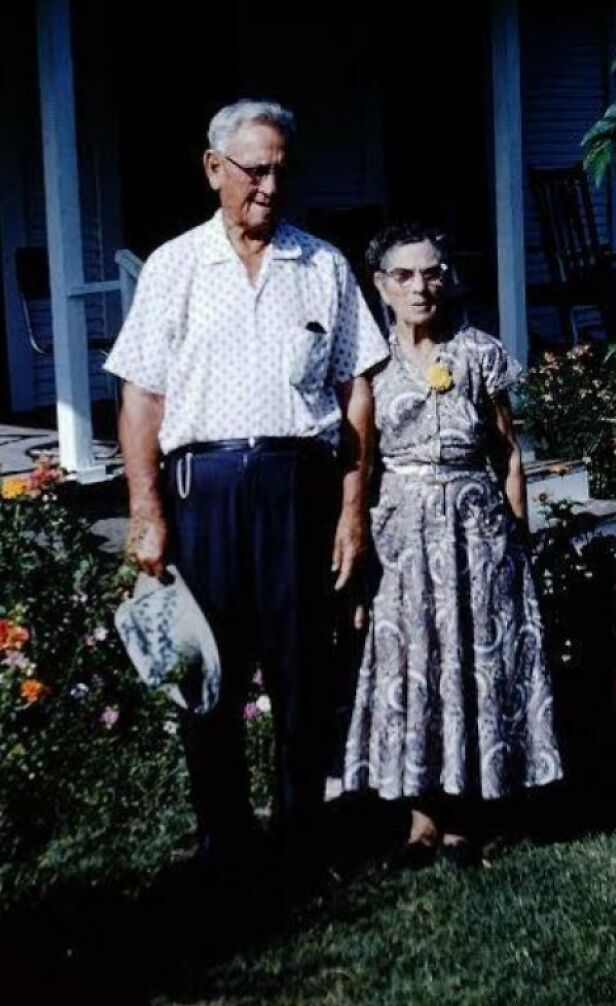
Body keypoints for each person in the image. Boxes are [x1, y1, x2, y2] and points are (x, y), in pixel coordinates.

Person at [104, 99, 389, 883]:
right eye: (252, 170)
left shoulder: (321, 264)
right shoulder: (175, 266)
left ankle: (302, 841)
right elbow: (141, 399)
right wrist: (146, 512)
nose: (267, 186)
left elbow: (355, 390)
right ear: (213, 168)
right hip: (206, 487)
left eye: (278, 171)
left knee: (304, 670)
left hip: (299, 484)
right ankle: (223, 841)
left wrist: (352, 507)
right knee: (208, 675)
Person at [343, 223, 563, 868]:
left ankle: (467, 817)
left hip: (476, 529)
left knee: (470, 657)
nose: (422, 286)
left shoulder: (478, 352)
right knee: (415, 661)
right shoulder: (370, 364)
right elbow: (364, 462)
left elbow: (507, 451)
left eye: (433, 272)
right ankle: (421, 821)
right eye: (406, 275)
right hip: (403, 535)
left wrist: (516, 541)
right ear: (382, 287)